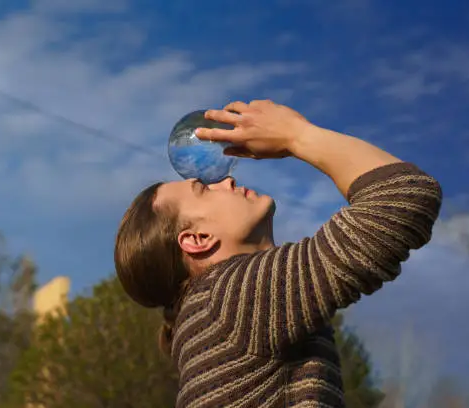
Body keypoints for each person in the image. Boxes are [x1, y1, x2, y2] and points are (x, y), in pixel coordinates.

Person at [114, 99, 442, 408]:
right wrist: (296, 135)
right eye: (203, 189)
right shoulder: (233, 297)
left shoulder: (209, 314)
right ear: (197, 238)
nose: (225, 180)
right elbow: (403, 194)